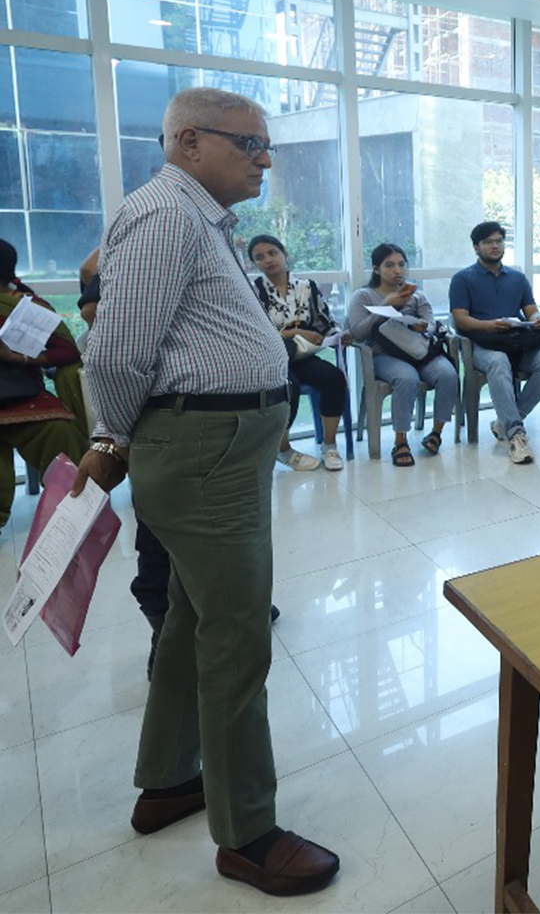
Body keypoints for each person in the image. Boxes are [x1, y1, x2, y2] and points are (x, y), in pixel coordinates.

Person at [72, 86, 339, 896]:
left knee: (192, 621)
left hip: (221, 448)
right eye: (249, 144)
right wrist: (110, 437)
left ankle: (169, 781)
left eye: (268, 147)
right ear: (188, 141)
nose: (264, 160)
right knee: (237, 636)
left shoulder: (197, 217)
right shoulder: (164, 216)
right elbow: (116, 350)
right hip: (203, 451)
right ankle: (247, 833)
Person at [448, 220, 540, 465]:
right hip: (483, 346)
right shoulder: (462, 279)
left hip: (517, 342)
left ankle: (507, 421)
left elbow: (531, 310)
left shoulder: (517, 278)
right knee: (498, 362)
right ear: (476, 247)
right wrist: (488, 325)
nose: (495, 246)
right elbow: (461, 320)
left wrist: (537, 319)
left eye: (499, 241)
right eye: (488, 242)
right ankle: (516, 435)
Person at [0, 240, 90, 530]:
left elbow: (67, 352)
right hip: (19, 399)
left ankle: (76, 513)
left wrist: (21, 358)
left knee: (61, 432)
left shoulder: (26, 306)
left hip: (23, 398)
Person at [346, 243, 458, 465]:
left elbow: (431, 325)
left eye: (401, 264)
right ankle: (400, 441)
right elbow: (357, 333)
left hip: (419, 351)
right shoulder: (363, 296)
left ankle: (436, 432)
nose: (397, 270)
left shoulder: (416, 295)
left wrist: (422, 327)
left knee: (448, 373)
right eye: (389, 265)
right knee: (407, 378)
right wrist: (386, 307)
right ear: (376, 269)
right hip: (383, 356)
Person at [247, 235, 346, 472]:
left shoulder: (306, 287)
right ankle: (283, 450)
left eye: (272, 253)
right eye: (259, 258)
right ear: (254, 265)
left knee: (333, 378)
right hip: (273, 359)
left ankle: (329, 445)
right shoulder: (255, 291)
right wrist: (296, 332)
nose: (268, 260)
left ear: (284, 254)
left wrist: (338, 335)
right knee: (287, 386)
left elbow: (324, 321)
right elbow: (257, 332)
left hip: (303, 354)